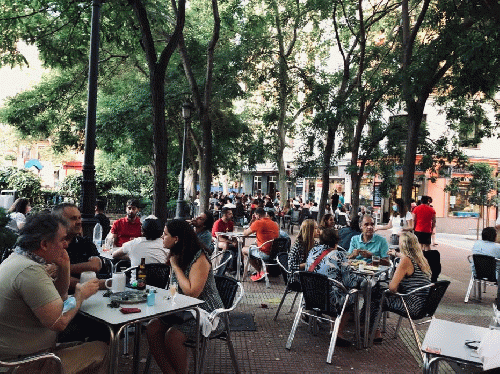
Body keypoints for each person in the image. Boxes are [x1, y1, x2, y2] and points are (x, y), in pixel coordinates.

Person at [0, 213, 108, 373]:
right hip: (24, 363)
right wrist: (80, 295)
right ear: (44, 244)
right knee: (101, 349)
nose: (66, 245)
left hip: (20, 355)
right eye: (62, 240)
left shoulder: (18, 259)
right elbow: (60, 321)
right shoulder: (30, 272)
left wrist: (64, 267)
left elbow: (57, 299)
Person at [146, 220, 224, 374]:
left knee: (172, 336)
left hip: (206, 313)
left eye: (165, 234)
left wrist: (174, 266)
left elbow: (192, 292)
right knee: (152, 327)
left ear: (177, 238)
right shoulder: (177, 254)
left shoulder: (199, 257)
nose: (162, 237)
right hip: (183, 310)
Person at [306, 228, 366, 347]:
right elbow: (350, 281)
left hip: (310, 298)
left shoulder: (313, 250)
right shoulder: (339, 254)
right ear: (337, 240)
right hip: (329, 302)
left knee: (335, 290)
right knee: (351, 295)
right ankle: (338, 333)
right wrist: (364, 280)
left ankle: (333, 329)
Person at [370, 232, 431, 343]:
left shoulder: (405, 261)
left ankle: (371, 330)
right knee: (381, 294)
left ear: (402, 246)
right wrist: (396, 254)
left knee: (377, 295)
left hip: (411, 306)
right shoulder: (422, 260)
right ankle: (370, 327)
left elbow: (392, 288)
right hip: (425, 306)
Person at [52, 203, 102, 290]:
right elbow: (53, 278)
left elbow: (96, 265)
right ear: (58, 222)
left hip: (91, 295)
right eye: (73, 218)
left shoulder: (85, 242)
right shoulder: (49, 245)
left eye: (79, 218)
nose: (79, 222)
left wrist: (61, 269)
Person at [242, 207, 279, 282]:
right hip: (274, 253)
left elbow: (245, 233)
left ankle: (260, 271)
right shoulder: (274, 223)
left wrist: (252, 221)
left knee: (244, 250)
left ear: (257, 215)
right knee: (254, 246)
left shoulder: (258, 223)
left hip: (264, 253)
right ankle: (262, 270)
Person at [412, 196, 440, 282]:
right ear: (428, 201)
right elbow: (434, 221)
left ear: (421, 201)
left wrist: (413, 228)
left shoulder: (416, 208)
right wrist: (432, 228)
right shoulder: (432, 210)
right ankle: (428, 262)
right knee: (427, 246)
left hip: (418, 229)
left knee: (419, 246)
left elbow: (414, 219)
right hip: (427, 230)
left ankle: (420, 262)